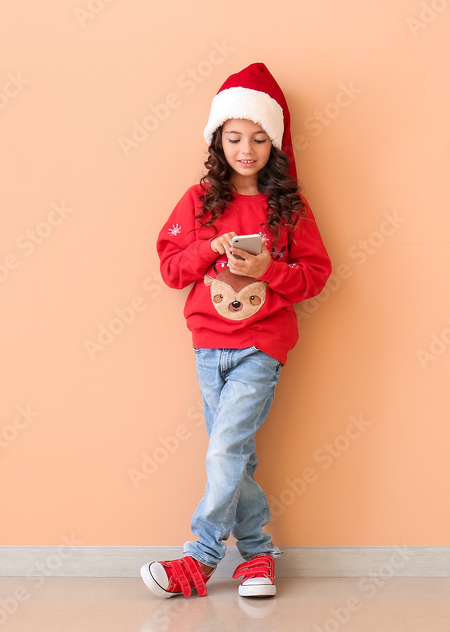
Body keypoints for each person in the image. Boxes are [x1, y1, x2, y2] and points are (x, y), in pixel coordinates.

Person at [140, 63, 332, 599]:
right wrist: (209, 249)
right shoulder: (198, 201)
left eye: (259, 138)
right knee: (236, 455)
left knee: (224, 450)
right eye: (234, 137)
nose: (246, 148)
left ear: (274, 142)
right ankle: (258, 557)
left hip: (261, 347)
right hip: (208, 346)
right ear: (217, 139)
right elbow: (172, 269)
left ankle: (198, 559)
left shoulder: (288, 206)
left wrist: (266, 270)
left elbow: (315, 276)